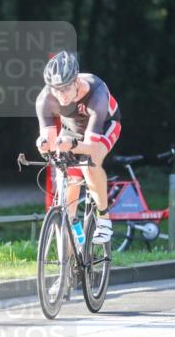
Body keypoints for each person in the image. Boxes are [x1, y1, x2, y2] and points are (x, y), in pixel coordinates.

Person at [35, 51, 121, 245]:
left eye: (65, 88)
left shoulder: (96, 91)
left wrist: (72, 145)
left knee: (88, 164)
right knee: (66, 183)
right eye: (56, 89)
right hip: (72, 130)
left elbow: (90, 146)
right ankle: (69, 258)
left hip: (105, 125)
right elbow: (47, 139)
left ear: (76, 81)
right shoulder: (45, 99)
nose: (61, 95)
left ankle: (104, 219)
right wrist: (43, 144)